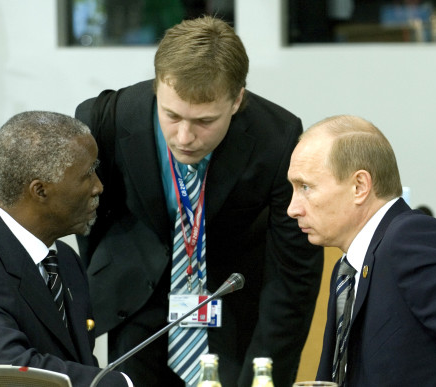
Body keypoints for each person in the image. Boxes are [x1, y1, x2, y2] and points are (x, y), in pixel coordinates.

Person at [74, 16, 323, 387]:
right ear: (158, 87)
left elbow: (293, 273)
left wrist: (265, 371)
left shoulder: (278, 138)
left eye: (205, 121)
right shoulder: (106, 119)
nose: (185, 136)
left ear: (237, 100)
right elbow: (87, 223)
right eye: (171, 116)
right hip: (137, 306)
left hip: (232, 307)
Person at [287, 114, 436, 386]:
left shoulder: (411, 240)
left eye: (305, 187)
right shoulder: (347, 269)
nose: (292, 208)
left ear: (359, 186)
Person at [0, 111, 132, 387]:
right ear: (40, 190)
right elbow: (12, 373)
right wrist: (124, 384)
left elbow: (77, 362)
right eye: (87, 175)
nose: (98, 186)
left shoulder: (63, 259)